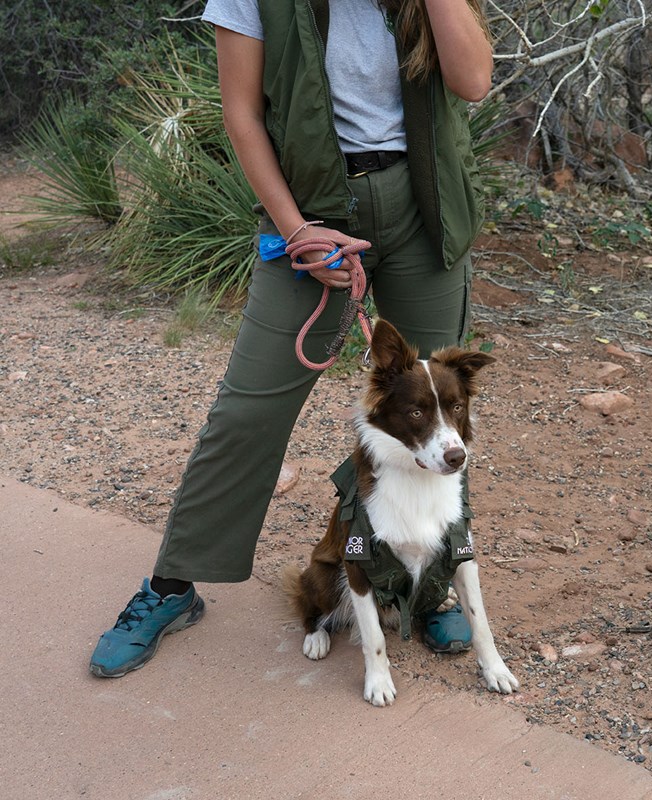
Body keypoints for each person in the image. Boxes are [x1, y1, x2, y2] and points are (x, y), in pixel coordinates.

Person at [89, 0, 493, 677]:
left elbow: (473, 80)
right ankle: (172, 585)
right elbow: (242, 115)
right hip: (310, 214)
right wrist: (297, 229)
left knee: (435, 414)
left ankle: (423, 581)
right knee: (249, 410)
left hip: (426, 210)